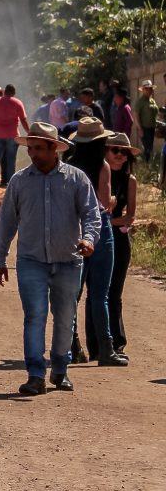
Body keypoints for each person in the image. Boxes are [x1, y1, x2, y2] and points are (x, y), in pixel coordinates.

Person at [0, 122, 101, 395]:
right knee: (35, 316)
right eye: (31, 149)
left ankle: (61, 370)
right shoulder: (19, 181)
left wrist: (89, 239)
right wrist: (0, 257)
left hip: (69, 260)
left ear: (55, 149)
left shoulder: (76, 179)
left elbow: (91, 214)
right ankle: (35, 374)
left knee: (65, 317)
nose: (33, 154)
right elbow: (7, 222)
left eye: (39, 149)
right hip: (31, 261)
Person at [63, 118, 129, 367]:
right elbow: (104, 201)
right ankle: (105, 349)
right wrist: (112, 199)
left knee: (73, 294)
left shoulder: (69, 165)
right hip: (100, 229)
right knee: (100, 294)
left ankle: (71, 347)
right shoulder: (102, 166)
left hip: (75, 230)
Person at [106, 132, 138, 359]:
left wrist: (105, 221)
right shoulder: (97, 176)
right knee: (95, 294)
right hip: (97, 238)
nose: (120, 155)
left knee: (114, 292)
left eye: (123, 152)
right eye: (115, 150)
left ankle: (117, 343)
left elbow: (130, 217)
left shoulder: (130, 180)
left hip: (118, 239)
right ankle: (96, 344)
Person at [0, 84, 29, 187]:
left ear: (4, 92)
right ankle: (10, 183)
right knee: (11, 159)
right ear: (13, 93)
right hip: (12, 135)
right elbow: (23, 119)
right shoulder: (17, 103)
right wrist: (29, 132)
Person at [135, 80, 159, 160]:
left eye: (150, 88)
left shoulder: (152, 101)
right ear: (143, 90)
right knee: (147, 148)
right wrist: (140, 129)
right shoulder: (140, 102)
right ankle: (146, 163)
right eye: (147, 88)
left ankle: (148, 163)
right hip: (145, 128)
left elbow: (156, 113)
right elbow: (136, 116)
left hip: (152, 127)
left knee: (150, 146)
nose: (149, 90)